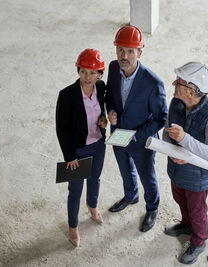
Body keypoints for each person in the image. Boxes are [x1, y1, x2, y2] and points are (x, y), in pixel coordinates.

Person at [105, 25, 168, 232]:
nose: (124, 56)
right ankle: (131, 196)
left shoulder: (153, 83)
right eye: (120, 50)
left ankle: (152, 208)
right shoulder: (114, 68)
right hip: (118, 134)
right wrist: (111, 111)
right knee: (125, 170)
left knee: (147, 176)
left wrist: (136, 137)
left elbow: (161, 118)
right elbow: (109, 96)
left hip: (141, 141)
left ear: (140, 52)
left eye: (130, 51)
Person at [162, 62, 208, 264]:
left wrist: (184, 139)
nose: (173, 83)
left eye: (178, 82)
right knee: (180, 200)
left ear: (191, 91)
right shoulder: (176, 103)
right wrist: (170, 150)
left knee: (197, 211)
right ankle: (186, 225)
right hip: (177, 170)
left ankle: (199, 240)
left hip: (197, 177)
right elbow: (166, 130)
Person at [55, 49, 108, 247]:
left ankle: (92, 206)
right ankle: (73, 226)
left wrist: (104, 121)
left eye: (93, 73)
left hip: (98, 145)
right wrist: (70, 157)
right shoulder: (67, 95)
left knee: (95, 179)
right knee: (75, 190)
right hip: (77, 151)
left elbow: (103, 111)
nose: (88, 77)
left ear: (99, 74)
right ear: (78, 70)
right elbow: (62, 129)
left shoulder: (101, 88)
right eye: (84, 71)